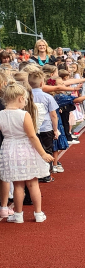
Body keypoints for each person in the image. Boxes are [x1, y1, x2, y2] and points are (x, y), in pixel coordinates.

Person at [0, 82, 55, 223]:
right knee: (33, 183)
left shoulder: (1, 114)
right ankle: (38, 213)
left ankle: (18, 215)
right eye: (25, 99)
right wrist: (43, 153)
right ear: (20, 98)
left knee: (18, 184)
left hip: (8, 148)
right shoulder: (24, 114)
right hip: (25, 148)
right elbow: (32, 136)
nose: (25, 102)